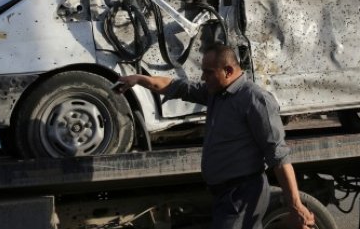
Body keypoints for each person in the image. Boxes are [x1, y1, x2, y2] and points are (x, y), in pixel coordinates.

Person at [114, 43, 315, 229]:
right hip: (225, 194)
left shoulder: (255, 100)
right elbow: (177, 87)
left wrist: (295, 205)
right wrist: (139, 80)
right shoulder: (215, 92)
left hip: (242, 194)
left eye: (208, 72)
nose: (203, 78)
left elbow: (278, 156)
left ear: (228, 71)